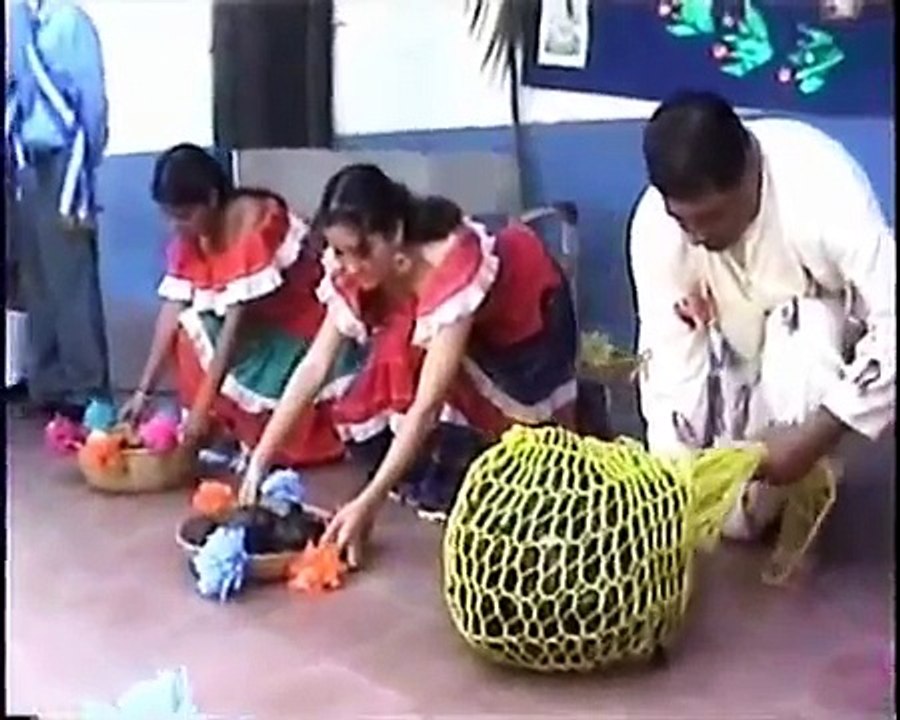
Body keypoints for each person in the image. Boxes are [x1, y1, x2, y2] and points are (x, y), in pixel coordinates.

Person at [239, 164, 578, 566]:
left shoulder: (453, 265)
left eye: (361, 251)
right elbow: (315, 366)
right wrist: (261, 457)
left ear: (395, 233)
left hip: (527, 315)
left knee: (539, 454)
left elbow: (426, 406)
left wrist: (369, 501)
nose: (348, 265)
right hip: (466, 324)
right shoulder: (355, 268)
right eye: (339, 252)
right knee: (406, 363)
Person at [629, 90, 895, 539]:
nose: (696, 237)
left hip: (820, 350)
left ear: (753, 169)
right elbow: (670, 367)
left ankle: (811, 477)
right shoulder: (657, 229)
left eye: (711, 217)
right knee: (731, 522)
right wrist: (673, 486)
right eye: (683, 220)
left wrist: (818, 433)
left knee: (802, 328)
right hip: (733, 357)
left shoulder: (823, 186)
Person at [119, 144, 362, 467]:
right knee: (187, 328)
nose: (177, 226)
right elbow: (172, 310)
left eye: (185, 216)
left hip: (300, 332)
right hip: (258, 335)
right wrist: (143, 393)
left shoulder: (255, 223)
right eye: (171, 217)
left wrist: (203, 406)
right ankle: (221, 432)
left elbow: (235, 331)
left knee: (202, 330)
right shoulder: (192, 236)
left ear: (212, 198)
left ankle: (248, 434)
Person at [5, 0, 111, 420]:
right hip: (22, 159)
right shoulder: (16, 17)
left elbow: (90, 96)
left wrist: (85, 166)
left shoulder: (68, 21)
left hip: (63, 159)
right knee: (35, 279)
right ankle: (47, 382)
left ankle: (86, 388)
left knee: (71, 277)